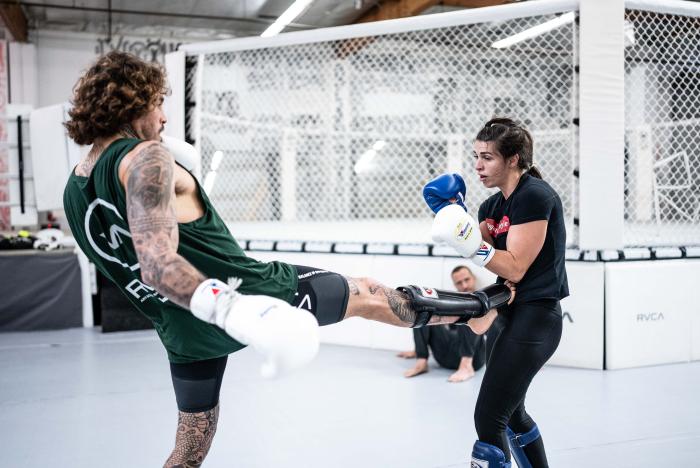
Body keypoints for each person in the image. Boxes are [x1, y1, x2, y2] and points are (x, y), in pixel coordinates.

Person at [61, 51, 512, 467]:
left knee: (188, 450)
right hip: (246, 292)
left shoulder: (73, 191)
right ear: (132, 103)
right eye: (158, 103)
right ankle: (478, 311)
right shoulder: (146, 158)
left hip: (182, 329)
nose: (163, 117)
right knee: (369, 295)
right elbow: (156, 263)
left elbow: (135, 266)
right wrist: (234, 307)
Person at [424, 117, 568, 468]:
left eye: (487, 157)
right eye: (476, 156)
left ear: (514, 159)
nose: (477, 165)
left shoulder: (536, 196)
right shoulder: (490, 208)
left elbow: (515, 266)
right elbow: (493, 261)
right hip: (508, 313)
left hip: (537, 317)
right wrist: (454, 216)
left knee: (489, 417)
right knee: (513, 413)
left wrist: (474, 244)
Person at [398, 265, 487, 382]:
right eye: (459, 283)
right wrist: (419, 349)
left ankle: (466, 366)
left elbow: (495, 336)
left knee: (471, 309)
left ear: (473, 278)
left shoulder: (487, 302)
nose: (464, 285)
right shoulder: (453, 302)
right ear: (455, 285)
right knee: (423, 310)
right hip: (446, 356)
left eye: (467, 280)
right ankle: (421, 361)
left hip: (475, 358)